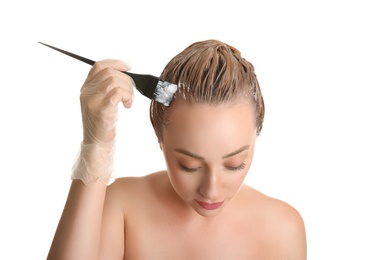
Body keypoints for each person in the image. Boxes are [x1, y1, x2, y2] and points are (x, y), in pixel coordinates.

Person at [47, 39, 307, 259]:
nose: (211, 190)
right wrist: (97, 146)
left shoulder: (282, 229)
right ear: (160, 138)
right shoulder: (123, 207)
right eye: (189, 166)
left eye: (234, 164)